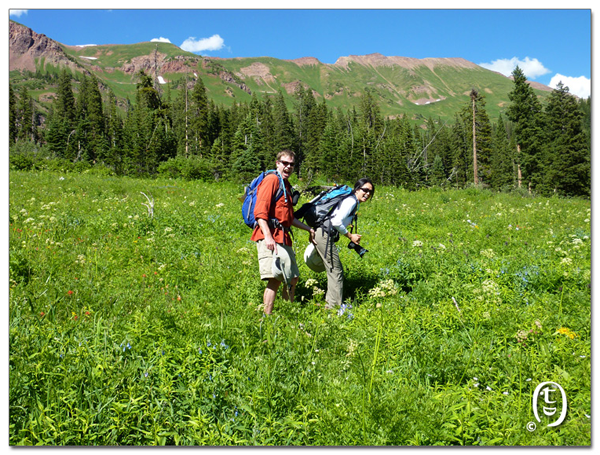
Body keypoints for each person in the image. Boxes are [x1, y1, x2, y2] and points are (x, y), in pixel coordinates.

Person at [251, 150, 316, 315]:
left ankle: (288, 314)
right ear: (277, 163)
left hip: (284, 237)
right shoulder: (271, 180)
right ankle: (267, 319)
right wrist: (267, 237)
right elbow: (260, 213)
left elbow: (289, 218)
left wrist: (309, 229)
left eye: (291, 164)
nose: (288, 167)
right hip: (271, 236)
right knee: (275, 278)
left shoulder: (286, 185)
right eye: (285, 163)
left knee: (292, 278)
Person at [313, 178, 375, 310]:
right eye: (365, 190)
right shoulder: (351, 201)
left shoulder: (352, 200)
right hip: (324, 234)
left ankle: (330, 303)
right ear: (357, 189)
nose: (367, 193)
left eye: (370, 191)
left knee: (333, 269)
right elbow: (336, 222)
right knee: (336, 270)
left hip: (323, 233)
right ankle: (334, 308)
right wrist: (350, 235)